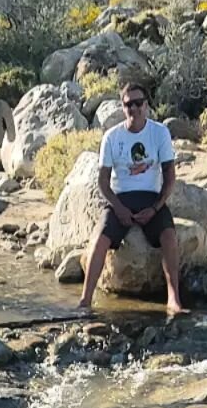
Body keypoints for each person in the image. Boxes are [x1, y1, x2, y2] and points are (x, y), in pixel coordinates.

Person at [78, 82, 187, 316]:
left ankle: (173, 298)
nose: (134, 108)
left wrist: (156, 207)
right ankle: (85, 301)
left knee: (169, 236)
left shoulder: (159, 133)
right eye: (129, 104)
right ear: (122, 106)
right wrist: (118, 209)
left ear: (146, 105)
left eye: (139, 103)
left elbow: (169, 176)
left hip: (151, 199)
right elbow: (103, 183)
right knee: (99, 239)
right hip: (121, 199)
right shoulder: (111, 137)